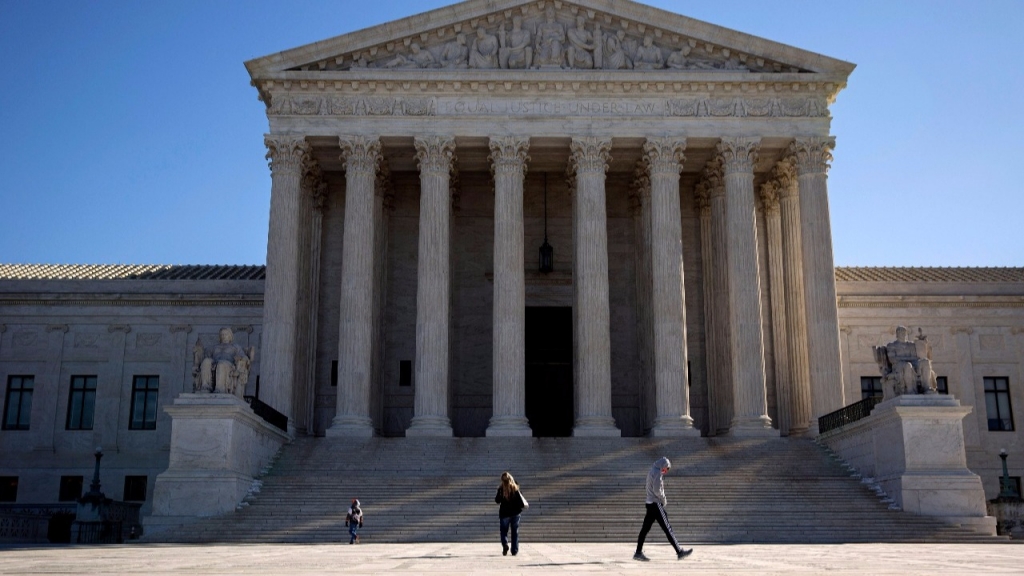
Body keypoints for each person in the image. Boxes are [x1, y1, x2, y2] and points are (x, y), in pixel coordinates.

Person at [634, 457, 692, 561]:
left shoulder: (652, 471)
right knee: (667, 528)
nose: (666, 471)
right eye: (666, 468)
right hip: (656, 504)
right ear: (663, 466)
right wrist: (663, 499)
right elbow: (657, 490)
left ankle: (638, 552)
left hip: (649, 503)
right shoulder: (657, 473)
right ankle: (679, 551)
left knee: (645, 529)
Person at [494, 471, 528, 556]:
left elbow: (497, 501)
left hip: (504, 514)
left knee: (503, 531)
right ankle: (514, 550)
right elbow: (520, 502)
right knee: (515, 532)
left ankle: (505, 544)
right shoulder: (515, 488)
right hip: (515, 514)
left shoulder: (501, 489)